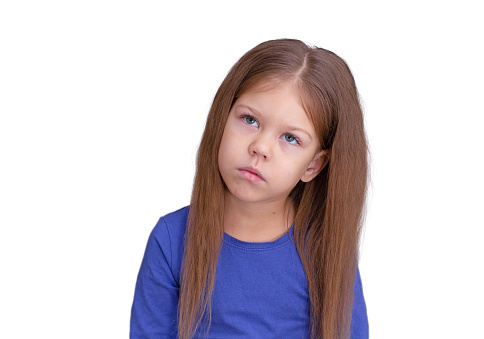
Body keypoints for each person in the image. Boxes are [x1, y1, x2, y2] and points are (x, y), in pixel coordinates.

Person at [130, 39, 369, 339]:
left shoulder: (326, 252)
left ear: (313, 165)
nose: (260, 147)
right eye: (250, 119)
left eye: (290, 138)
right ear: (222, 119)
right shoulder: (171, 240)